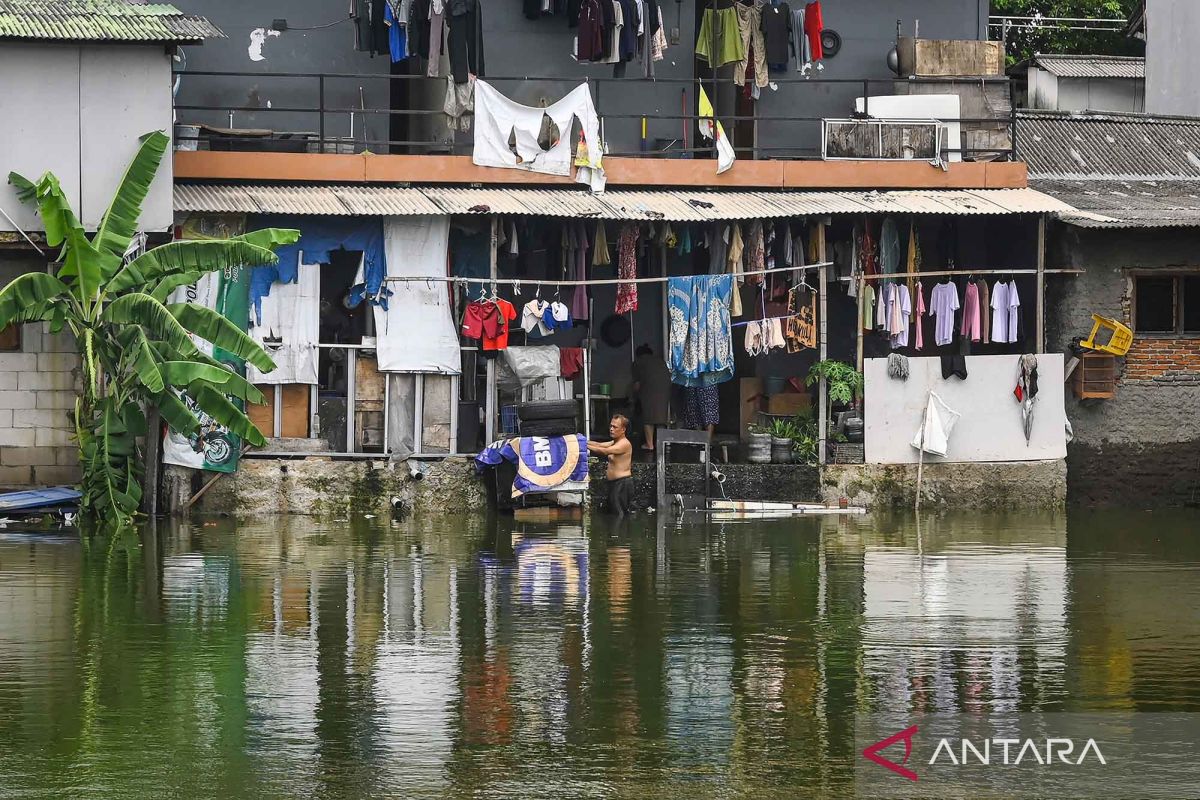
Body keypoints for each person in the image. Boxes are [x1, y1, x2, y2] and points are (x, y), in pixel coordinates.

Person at [587, 414, 634, 516]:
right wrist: (581, 441)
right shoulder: (615, 442)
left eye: (615, 427)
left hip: (622, 485)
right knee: (612, 515)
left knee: (619, 515)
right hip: (614, 484)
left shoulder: (624, 444)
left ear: (623, 430)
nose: (611, 429)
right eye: (611, 426)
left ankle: (620, 532)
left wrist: (584, 445)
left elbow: (604, 451)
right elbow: (599, 445)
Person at [630, 343, 671, 451]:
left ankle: (649, 444)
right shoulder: (660, 361)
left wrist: (632, 396)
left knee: (648, 417)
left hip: (649, 389)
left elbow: (637, 384)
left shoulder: (638, 362)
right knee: (661, 416)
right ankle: (660, 443)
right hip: (665, 388)